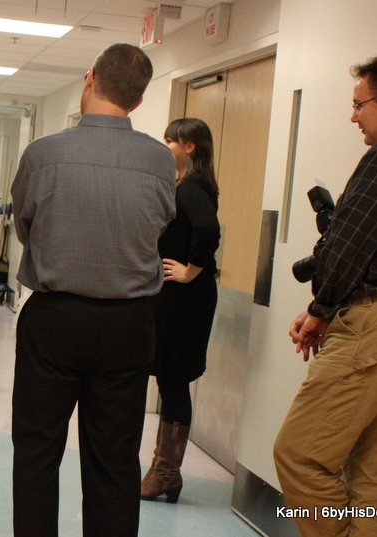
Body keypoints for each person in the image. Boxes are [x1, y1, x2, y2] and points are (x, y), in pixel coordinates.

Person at [11, 43, 176, 537]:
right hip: (128, 326)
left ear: (90, 78)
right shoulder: (160, 161)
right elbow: (159, 225)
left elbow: (26, 227)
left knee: (37, 454)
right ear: (139, 101)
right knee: (115, 462)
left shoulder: (43, 154)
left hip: (53, 320)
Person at [273, 54, 377, 537]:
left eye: (359, 105)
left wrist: (320, 309)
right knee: (375, 468)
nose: (353, 116)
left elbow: (348, 244)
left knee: (298, 454)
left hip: (373, 329)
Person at [140, 118, 220, 503]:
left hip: (185, 301)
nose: (165, 144)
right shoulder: (187, 185)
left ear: (190, 147)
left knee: (173, 381)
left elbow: (209, 230)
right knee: (170, 380)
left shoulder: (192, 188)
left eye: (171, 140)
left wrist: (192, 269)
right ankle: (163, 471)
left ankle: (166, 473)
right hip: (176, 299)